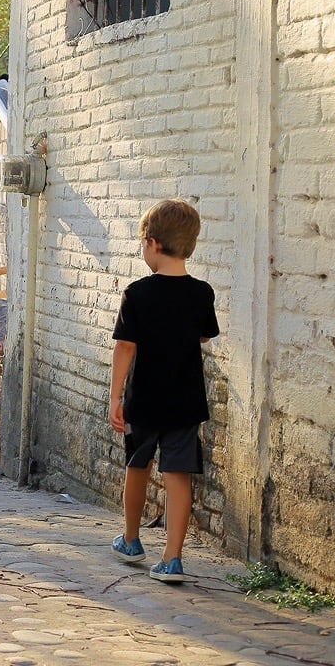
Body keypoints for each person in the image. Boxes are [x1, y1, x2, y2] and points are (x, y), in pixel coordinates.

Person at [107, 199, 220, 583]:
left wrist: (115, 396)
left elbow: (126, 346)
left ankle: (131, 539)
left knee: (138, 466)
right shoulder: (202, 293)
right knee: (178, 476)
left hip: (145, 400)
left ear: (153, 244)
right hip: (186, 401)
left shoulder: (137, 294)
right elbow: (205, 334)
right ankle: (172, 559)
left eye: (142, 244)